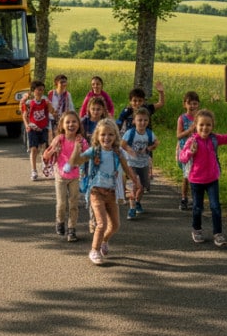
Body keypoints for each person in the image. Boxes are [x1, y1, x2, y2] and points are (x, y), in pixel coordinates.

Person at [178, 109, 227, 248]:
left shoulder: (214, 139)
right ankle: (197, 230)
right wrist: (190, 152)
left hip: (212, 179)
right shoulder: (192, 141)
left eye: (208, 125)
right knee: (197, 208)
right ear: (196, 126)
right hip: (196, 180)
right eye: (201, 125)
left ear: (212, 126)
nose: (205, 128)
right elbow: (182, 157)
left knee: (215, 207)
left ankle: (218, 234)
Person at [79, 119, 139, 265]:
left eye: (110, 135)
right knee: (101, 224)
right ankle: (94, 250)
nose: (107, 138)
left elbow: (126, 167)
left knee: (115, 225)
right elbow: (79, 160)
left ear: (115, 137)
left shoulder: (118, 152)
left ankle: (104, 241)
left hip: (111, 193)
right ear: (97, 137)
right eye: (103, 135)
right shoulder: (94, 151)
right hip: (96, 192)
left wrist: (136, 181)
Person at [43, 111, 88, 242]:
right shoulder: (59, 139)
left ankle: (72, 229)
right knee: (62, 203)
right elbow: (46, 156)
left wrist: (82, 154)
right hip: (60, 176)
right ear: (62, 125)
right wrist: (53, 150)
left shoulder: (81, 140)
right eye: (67, 122)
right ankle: (60, 221)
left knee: (73, 204)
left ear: (79, 125)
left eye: (74, 121)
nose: (71, 124)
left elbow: (87, 155)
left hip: (75, 176)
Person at [121, 107, 158, 220]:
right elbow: (122, 144)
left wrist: (148, 148)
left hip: (143, 163)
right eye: (140, 120)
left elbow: (156, 143)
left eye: (145, 120)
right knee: (136, 185)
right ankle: (132, 209)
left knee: (142, 188)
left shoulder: (149, 134)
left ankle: (137, 202)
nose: (142, 123)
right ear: (134, 121)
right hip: (131, 163)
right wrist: (129, 150)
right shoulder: (130, 133)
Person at [21, 81, 55, 181]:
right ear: (33, 91)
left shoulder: (45, 101)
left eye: (42, 90)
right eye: (38, 90)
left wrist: (50, 105)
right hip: (32, 128)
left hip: (43, 127)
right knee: (34, 149)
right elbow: (24, 115)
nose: (40, 92)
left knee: (44, 148)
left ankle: (45, 167)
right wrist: (27, 125)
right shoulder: (28, 103)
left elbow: (51, 111)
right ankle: (34, 170)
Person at [174, 91, 201, 211]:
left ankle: (196, 199)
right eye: (189, 103)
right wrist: (190, 130)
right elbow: (179, 136)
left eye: (195, 104)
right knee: (187, 175)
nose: (192, 106)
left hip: (198, 150)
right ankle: (184, 198)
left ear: (198, 104)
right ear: (185, 104)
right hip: (186, 151)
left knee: (198, 175)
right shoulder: (182, 118)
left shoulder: (200, 118)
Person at [46, 74, 75, 140]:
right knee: (51, 140)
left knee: (61, 139)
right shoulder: (51, 94)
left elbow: (71, 108)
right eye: (61, 82)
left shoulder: (67, 95)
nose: (64, 84)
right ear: (56, 83)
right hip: (51, 120)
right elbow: (47, 107)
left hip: (62, 119)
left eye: (65, 82)